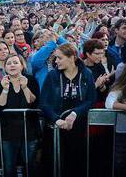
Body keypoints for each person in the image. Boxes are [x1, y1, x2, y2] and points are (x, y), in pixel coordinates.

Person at [40, 43, 97, 176]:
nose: (56, 61)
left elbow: (91, 99)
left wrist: (75, 112)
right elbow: (44, 102)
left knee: (75, 162)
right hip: (55, 127)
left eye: (59, 58)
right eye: (55, 58)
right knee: (54, 163)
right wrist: (56, 119)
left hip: (78, 126)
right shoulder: (52, 76)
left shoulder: (86, 74)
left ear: (72, 57)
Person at [0, 54, 40, 177]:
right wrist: (4, 90)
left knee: (29, 164)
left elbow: (33, 103)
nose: (12, 65)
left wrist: (25, 87)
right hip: (8, 132)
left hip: (29, 130)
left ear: (22, 66)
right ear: (4, 68)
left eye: (15, 62)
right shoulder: (2, 83)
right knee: (9, 166)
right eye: (8, 63)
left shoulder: (30, 80)